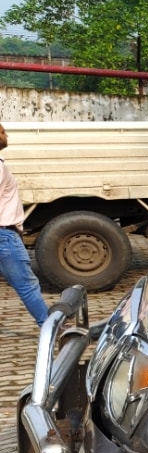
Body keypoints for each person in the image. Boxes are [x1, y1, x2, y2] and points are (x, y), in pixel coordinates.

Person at [0, 121, 50, 328]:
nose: (6, 134)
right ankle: (51, 329)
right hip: (4, 236)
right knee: (27, 285)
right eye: (2, 131)